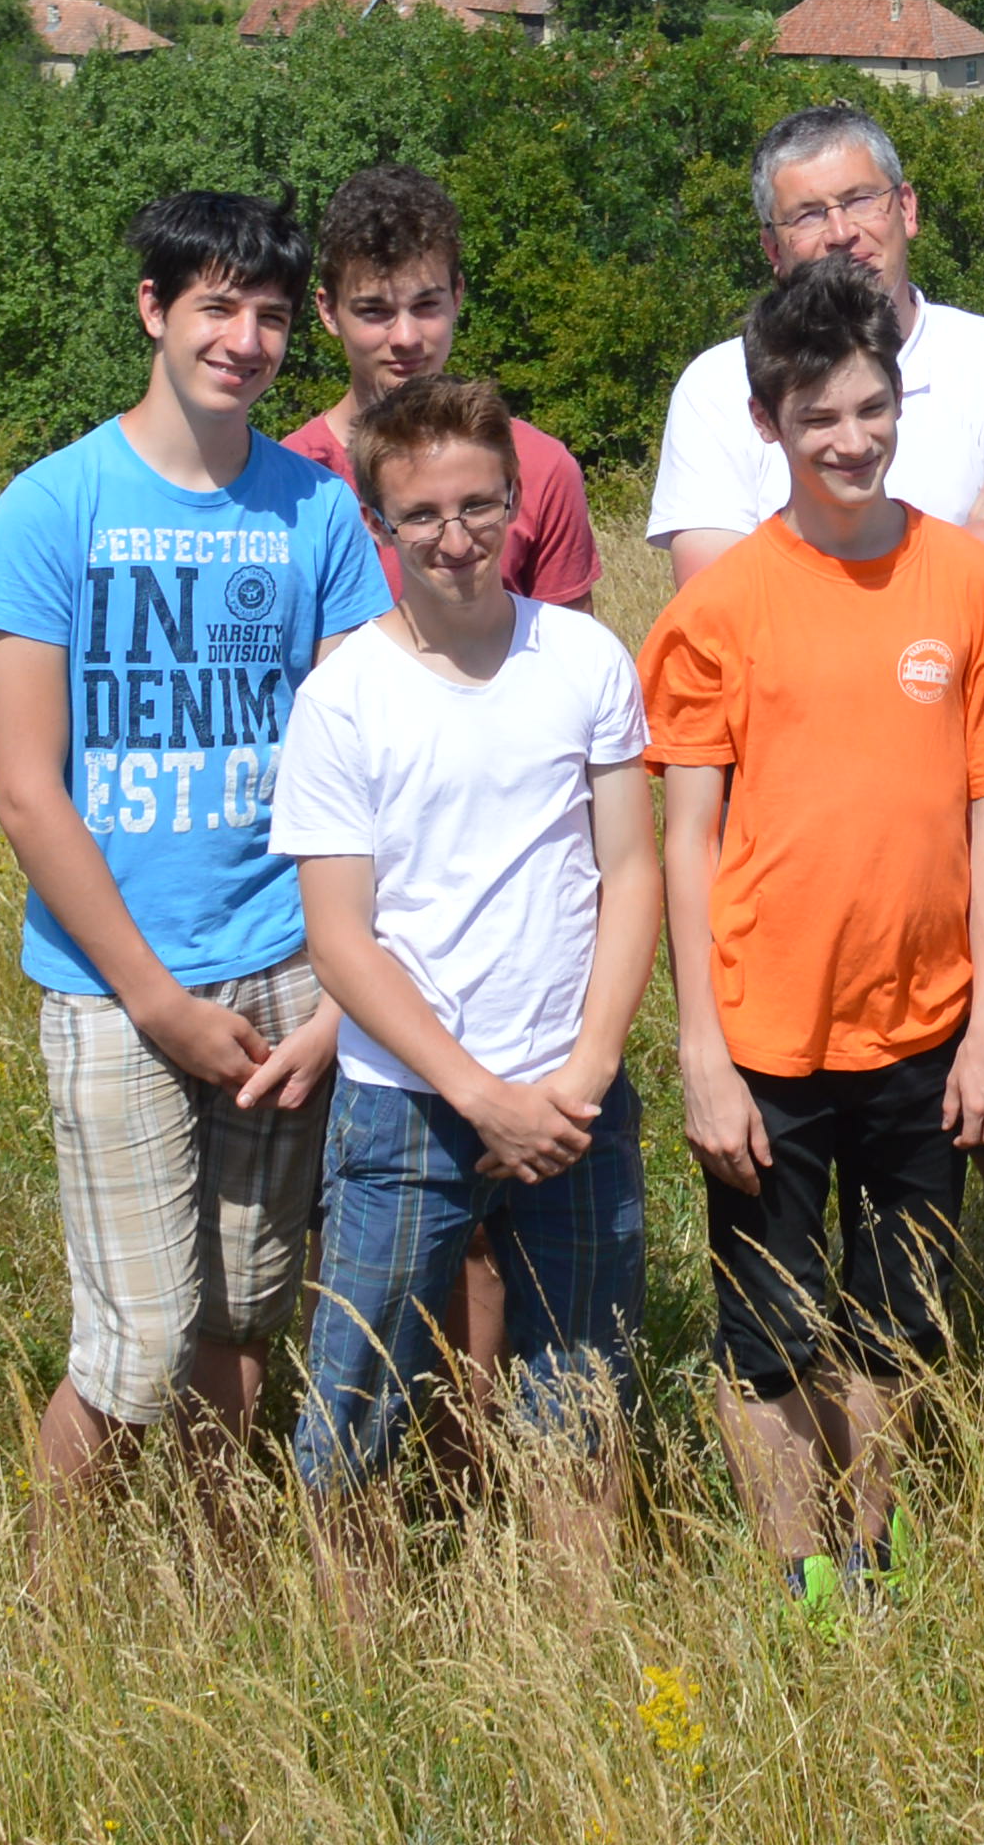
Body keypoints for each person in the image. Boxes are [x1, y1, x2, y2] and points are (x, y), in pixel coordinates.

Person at [0, 189, 390, 1522]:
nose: (245, 341)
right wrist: (155, 999)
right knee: (135, 1344)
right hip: (114, 985)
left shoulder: (316, 514)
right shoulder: (52, 507)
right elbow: (27, 792)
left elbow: (361, 768)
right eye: (217, 306)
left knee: (245, 1314)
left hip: (287, 975)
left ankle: (212, 1577)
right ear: (154, 308)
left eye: (270, 316)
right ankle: (46, 1609)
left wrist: (338, 996)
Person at [641, 106, 984, 1377]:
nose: (840, 229)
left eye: (859, 202)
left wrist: (913, 571)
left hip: (967, 785)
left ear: (907, 209)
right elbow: (715, 591)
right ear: (771, 242)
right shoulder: (715, 384)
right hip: (786, 816)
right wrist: (908, 573)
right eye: (807, 212)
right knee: (791, 1201)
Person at [638, 260, 984, 1595]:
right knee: (771, 1338)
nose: (852, 440)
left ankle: (878, 1561)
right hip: (767, 1036)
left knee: (901, 1326)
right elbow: (686, 839)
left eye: (873, 409)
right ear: (767, 423)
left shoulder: (967, 583)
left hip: (925, 1026)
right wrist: (700, 1051)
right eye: (819, 418)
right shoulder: (718, 609)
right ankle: (802, 1583)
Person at [276, 372, 660, 1554]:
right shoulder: (343, 698)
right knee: (355, 1417)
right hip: (408, 1110)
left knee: (582, 1406)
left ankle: (581, 1643)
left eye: (480, 505)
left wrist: (585, 1073)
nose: (456, 538)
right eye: (423, 515)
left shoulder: (583, 657)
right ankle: (357, 1652)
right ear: (378, 525)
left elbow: (630, 871)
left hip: (575, 1099)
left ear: (514, 502)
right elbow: (340, 936)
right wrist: (477, 1093)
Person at [284, 158, 598, 605]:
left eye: (426, 306)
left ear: (457, 296)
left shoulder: (542, 469)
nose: (405, 337)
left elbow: (568, 644)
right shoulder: (290, 484)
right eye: (375, 311)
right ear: (328, 311)